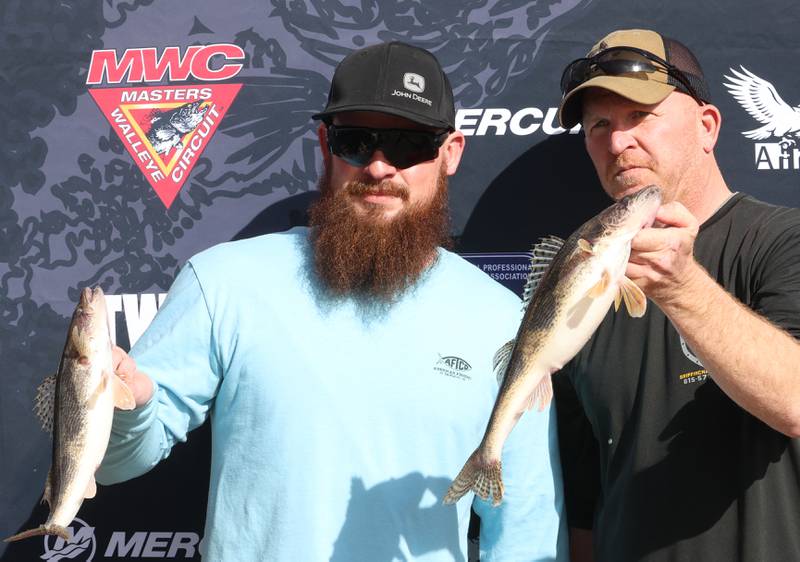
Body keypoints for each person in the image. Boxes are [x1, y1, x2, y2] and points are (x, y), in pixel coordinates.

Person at [98, 41, 567, 561]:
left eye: (408, 144)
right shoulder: (225, 281)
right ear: (326, 145)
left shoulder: (503, 319)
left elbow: (527, 525)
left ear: (451, 152)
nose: (380, 167)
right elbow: (114, 464)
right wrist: (126, 405)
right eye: (357, 142)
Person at [553, 28, 800, 562]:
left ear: (707, 126)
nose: (618, 143)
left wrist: (681, 286)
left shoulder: (785, 241)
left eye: (640, 116)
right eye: (599, 125)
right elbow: (583, 496)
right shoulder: (582, 278)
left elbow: (796, 401)